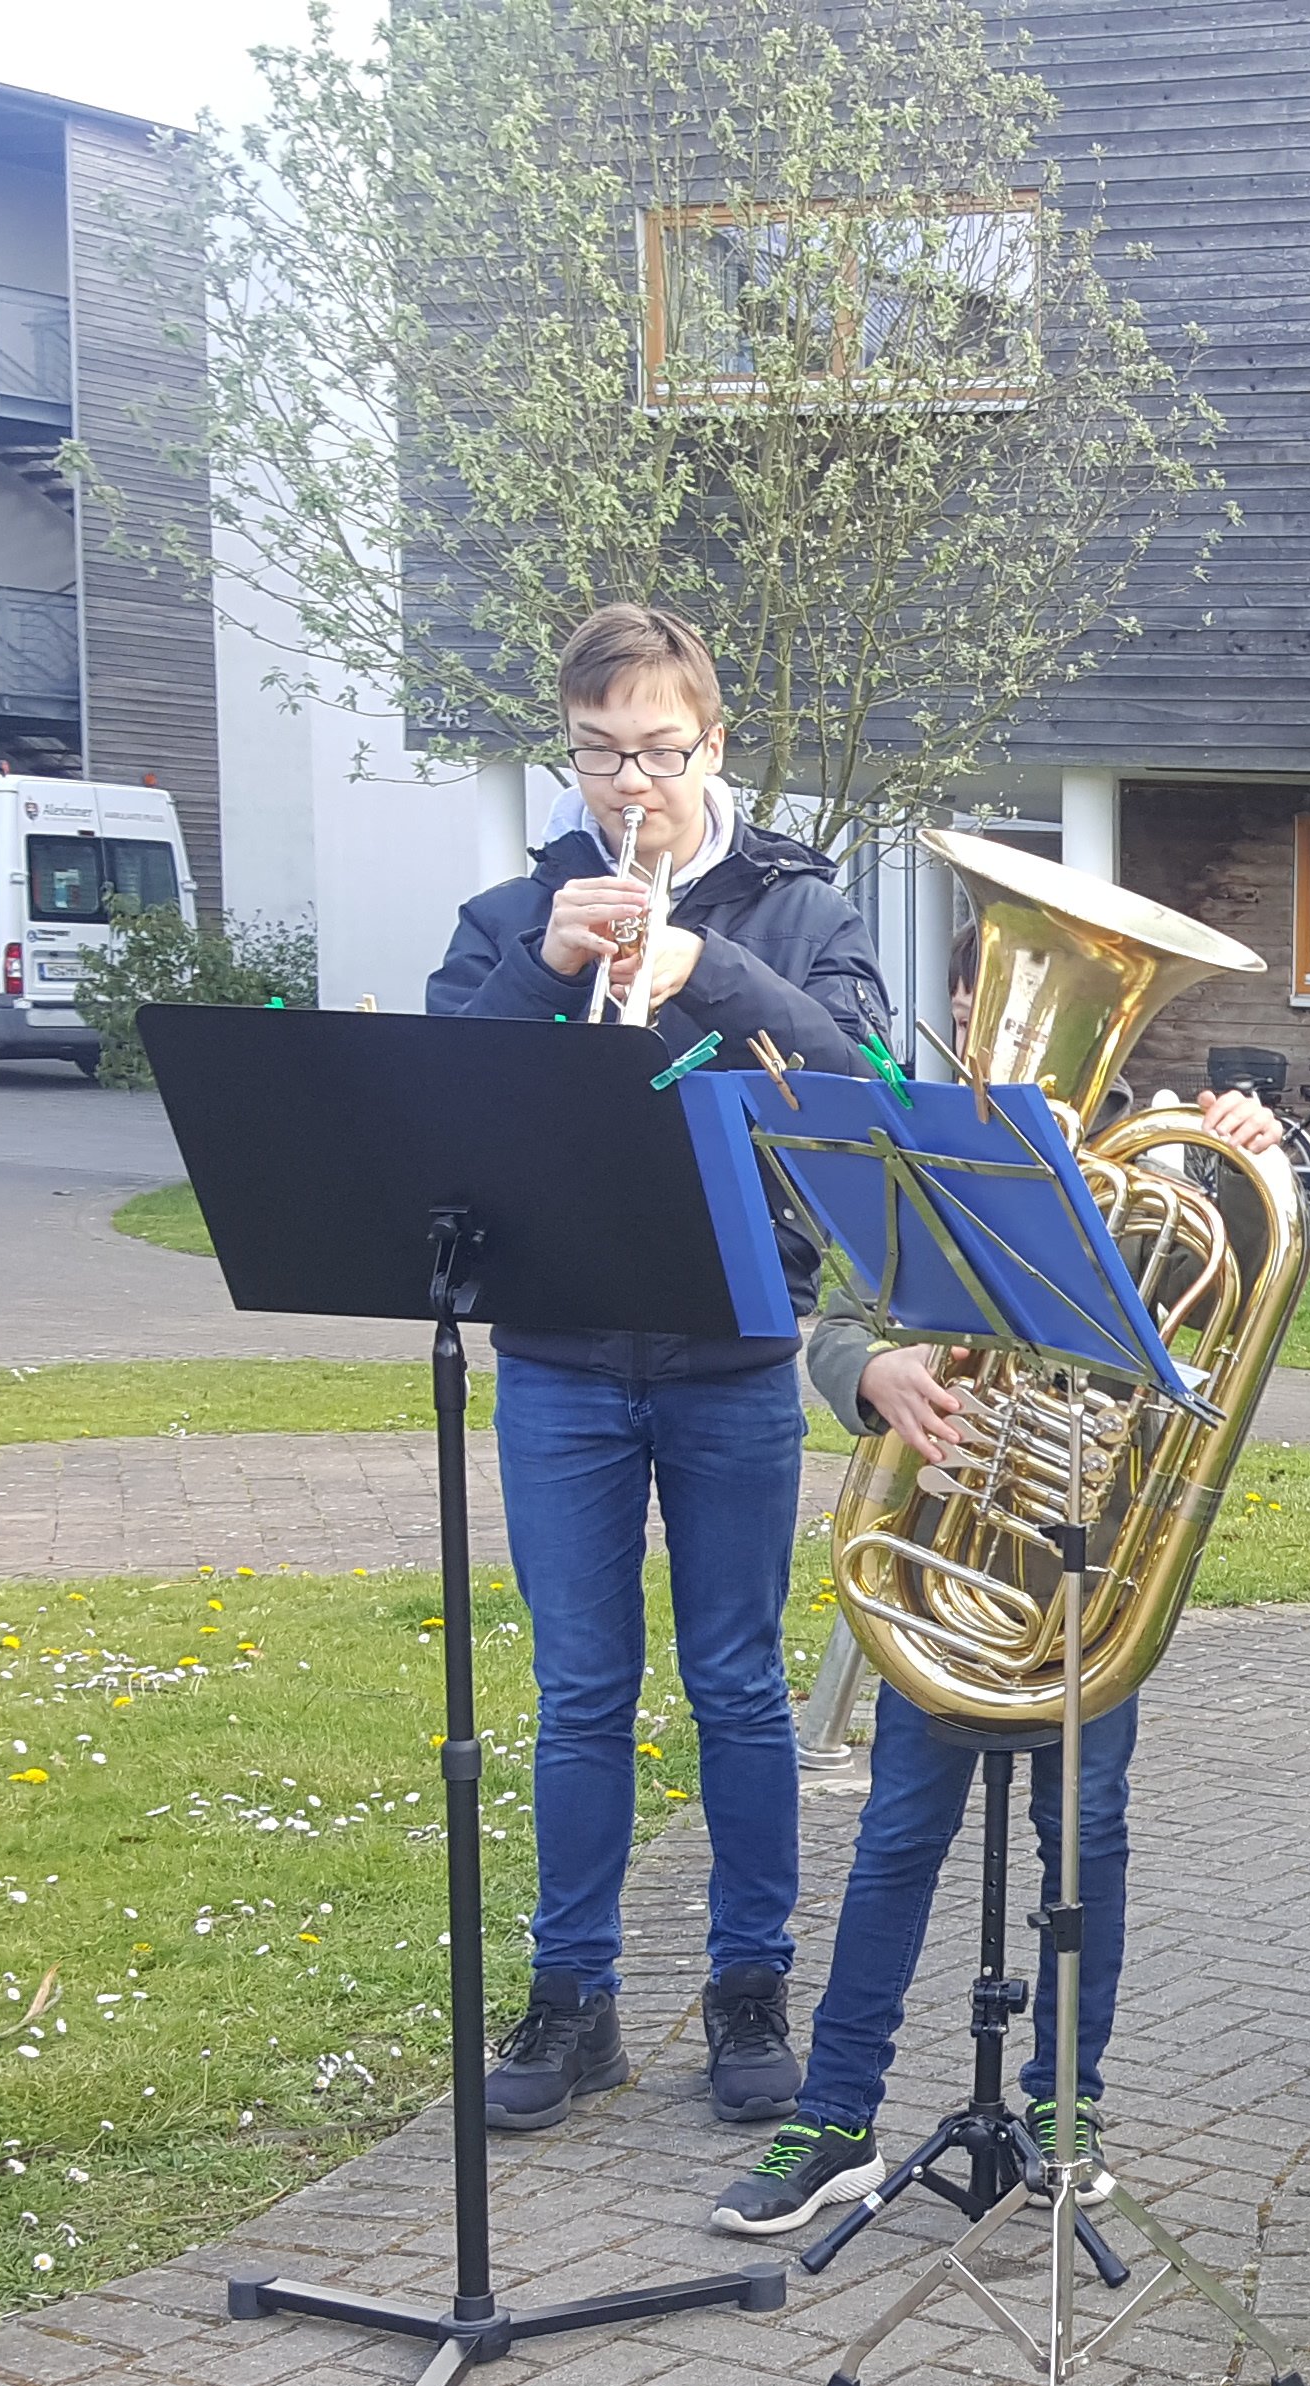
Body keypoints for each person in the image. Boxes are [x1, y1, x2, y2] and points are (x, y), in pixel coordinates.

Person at [422, 602, 880, 2132]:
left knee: (740, 1687)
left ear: (714, 742)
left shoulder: (801, 908)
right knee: (577, 1692)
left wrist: (708, 972)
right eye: (602, 752)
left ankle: (751, 1986)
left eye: (661, 751)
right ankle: (575, 1999)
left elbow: (866, 1082)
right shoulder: (511, 913)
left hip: (736, 1348)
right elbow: (446, 1117)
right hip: (560, 1353)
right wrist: (547, 980)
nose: (633, 785)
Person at [713, 1088, 1290, 2240]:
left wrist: (1242, 1151)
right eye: (978, 1000)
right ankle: (833, 2117)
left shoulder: (1156, 1168)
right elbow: (837, 1321)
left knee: (1086, 1840)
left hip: (1090, 1566)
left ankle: (1067, 2108)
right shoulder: (924, 1162)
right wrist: (866, 1375)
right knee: (893, 1841)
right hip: (940, 1559)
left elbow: (1215, 1295)